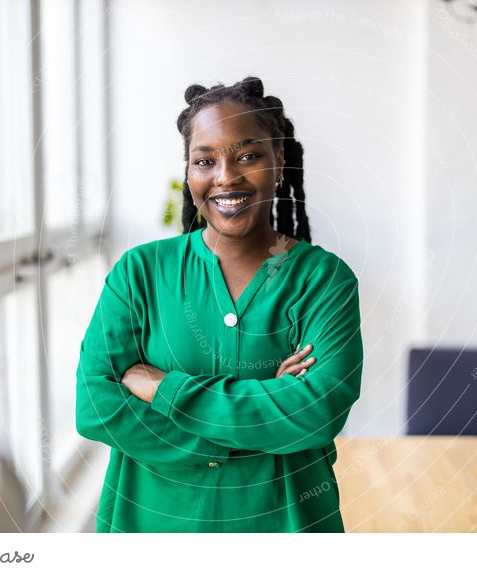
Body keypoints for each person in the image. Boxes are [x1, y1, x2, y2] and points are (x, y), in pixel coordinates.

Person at [76, 76, 363, 532]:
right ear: (188, 172)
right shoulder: (140, 273)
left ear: (279, 160)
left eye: (248, 155)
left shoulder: (324, 280)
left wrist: (162, 389)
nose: (225, 176)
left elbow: (317, 413)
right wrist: (259, 418)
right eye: (204, 160)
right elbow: (94, 406)